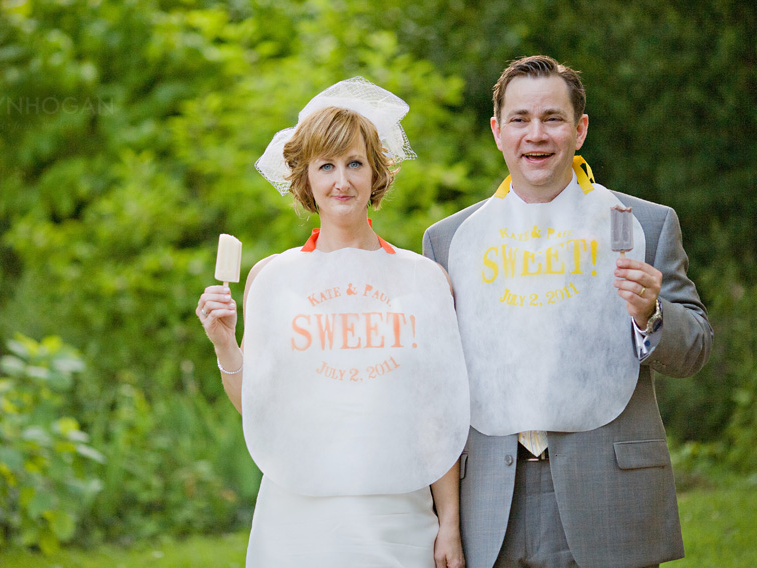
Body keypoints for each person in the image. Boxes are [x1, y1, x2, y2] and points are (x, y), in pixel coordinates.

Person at [423, 56, 712, 568]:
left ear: (579, 130)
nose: (536, 134)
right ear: (497, 131)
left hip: (608, 490)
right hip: (490, 499)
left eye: (553, 118)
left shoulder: (642, 223)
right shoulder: (450, 242)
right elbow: (435, 389)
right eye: (520, 119)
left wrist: (652, 313)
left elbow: (694, 352)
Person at [197, 78, 471, 568]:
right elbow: (255, 409)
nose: (340, 180)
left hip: (398, 516)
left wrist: (448, 523)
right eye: (326, 165)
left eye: (354, 163)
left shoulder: (423, 280)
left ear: (376, 174)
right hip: (298, 517)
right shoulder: (273, 279)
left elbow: (438, 416)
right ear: (306, 179)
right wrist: (224, 347)